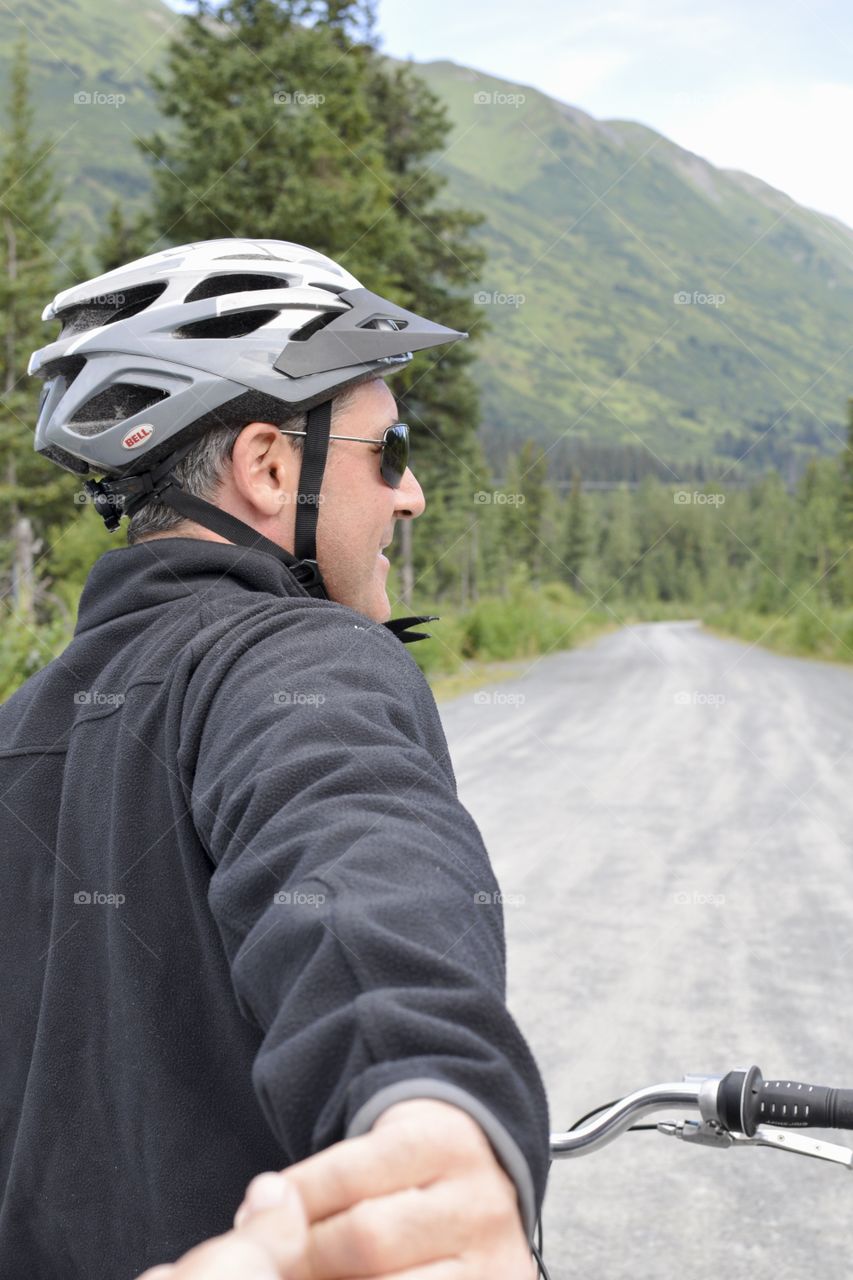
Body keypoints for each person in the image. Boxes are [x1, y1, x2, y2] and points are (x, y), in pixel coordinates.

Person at [0, 238, 549, 1278]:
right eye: (388, 450)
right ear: (266, 465)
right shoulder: (301, 654)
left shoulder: (22, 722)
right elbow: (354, 853)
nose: (412, 492)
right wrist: (430, 1106)